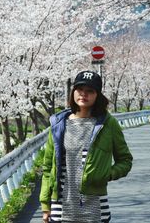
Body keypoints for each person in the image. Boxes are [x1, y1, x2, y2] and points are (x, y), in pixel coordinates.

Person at [40, 70, 133, 223]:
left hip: (95, 204)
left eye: (90, 91)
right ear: (73, 92)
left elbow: (125, 160)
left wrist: (107, 174)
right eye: (80, 89)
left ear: (97, 96)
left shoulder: (108, 124)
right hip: (61, 204)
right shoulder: (58, 124)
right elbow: (47, 167)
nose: (84, 94)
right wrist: (45, 204)